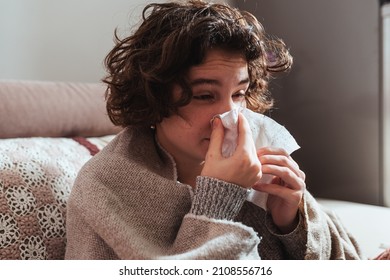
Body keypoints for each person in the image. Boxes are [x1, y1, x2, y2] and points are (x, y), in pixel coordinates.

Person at [65, 0, 362, 259]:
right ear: (153, 97)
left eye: (239, 94)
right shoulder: (106, 185)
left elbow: (349, 260)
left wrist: (291, 224)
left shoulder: (256, 153)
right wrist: (221, 195)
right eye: (205, 96)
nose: (229, 116)